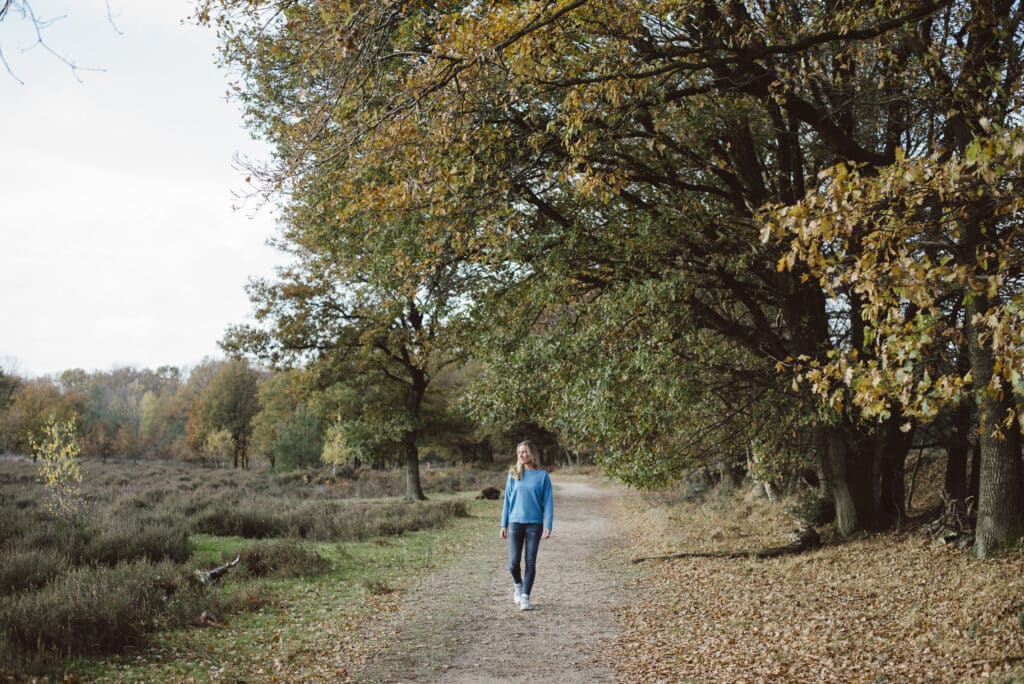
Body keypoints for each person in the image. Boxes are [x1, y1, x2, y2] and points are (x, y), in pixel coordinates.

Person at [500, 440, 553, 611]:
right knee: (513, 563)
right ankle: (518, 585)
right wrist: (503, 524)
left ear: (532, 453)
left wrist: (548, 525)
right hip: (515, 523)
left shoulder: (542, 476)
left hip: (534, 525)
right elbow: (507, 501)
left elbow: (548, 501)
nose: (521, 455)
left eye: (524, 451)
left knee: (530, 561)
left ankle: (525, 597)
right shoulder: (514, 473)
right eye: (519, 452)